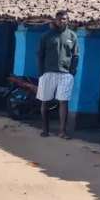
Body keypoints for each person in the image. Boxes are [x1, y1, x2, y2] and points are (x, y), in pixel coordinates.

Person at [36, 10, 78, 139]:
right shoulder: (46, 36)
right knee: (45, 101)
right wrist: (41, 73)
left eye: (64, 19)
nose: (62, 21)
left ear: (68, 20)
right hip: (48, 73)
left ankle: (62, 131)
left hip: (65, 74)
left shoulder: (72, 36)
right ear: (55, 20)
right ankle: (45, 130)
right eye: (59, 19)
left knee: (63, 101)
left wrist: (72, 72)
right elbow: (40, 55)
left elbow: (75, 55)